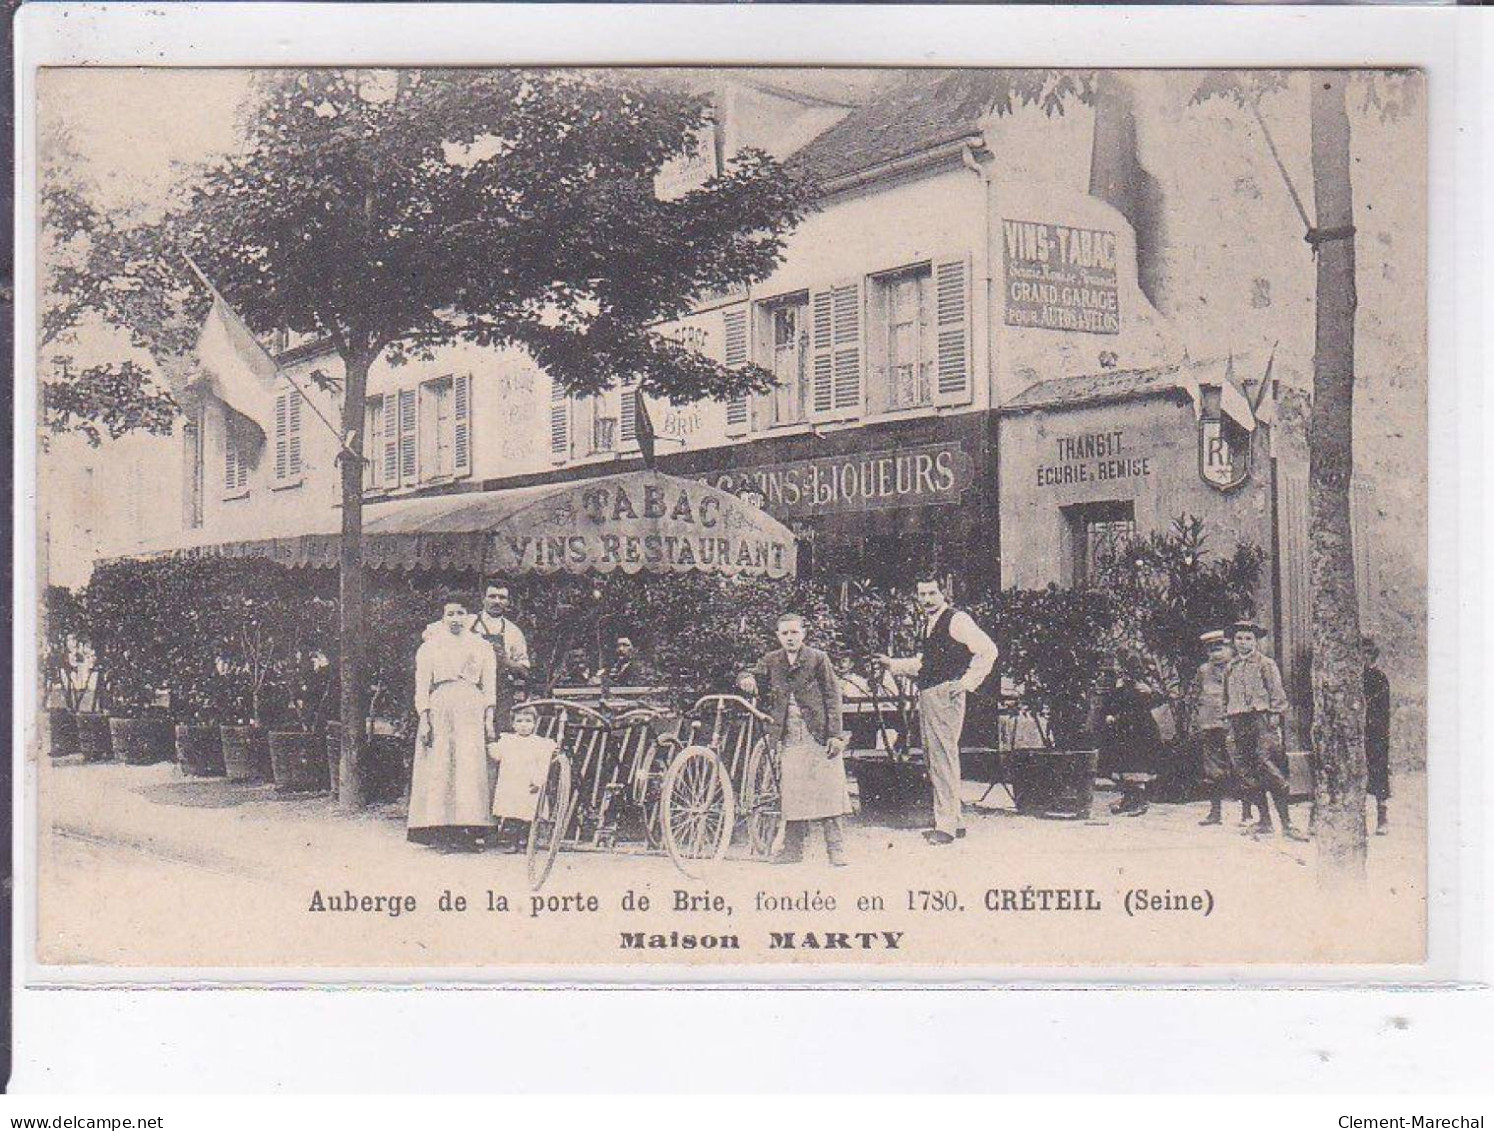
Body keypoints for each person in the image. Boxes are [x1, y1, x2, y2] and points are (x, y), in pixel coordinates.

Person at [875, 574, 998, 846]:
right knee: (936, 757)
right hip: (931, 694)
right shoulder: (929, 623)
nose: (927, 600)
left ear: (944, 593)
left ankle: (945, 827)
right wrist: (892, 664)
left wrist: (966, 683)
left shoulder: (957, 619)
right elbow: (926, 663)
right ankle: (955, 820)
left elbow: (988, 650)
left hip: (945, 694)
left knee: (942, 758)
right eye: (922, 594)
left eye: (932, 593)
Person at [737, 613, 852, 867]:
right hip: (789, 735)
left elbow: (833, 697)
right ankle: (793, 850)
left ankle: (835, 849)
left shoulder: (818, 659)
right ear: (778, 636)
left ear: (804, 634)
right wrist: (746, 678)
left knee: (829, 789)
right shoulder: (772, 660)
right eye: (785, 633)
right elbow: (750, 672)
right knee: (793, 792)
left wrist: (834, 735)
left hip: (818, 733)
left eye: (794, 632)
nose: (790, 638)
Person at [409, 595, 499, 851]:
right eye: (450, 613)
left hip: (471, 706)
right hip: (440, 707)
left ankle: (469, 830)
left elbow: (489, 685)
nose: (456, 619)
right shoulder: (430, 647)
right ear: (443, 616)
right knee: (441, 766)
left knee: (469, 767)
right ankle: (441, 830)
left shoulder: (481, 647)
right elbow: (422, 686)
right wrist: (424, 719)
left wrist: (489, 718)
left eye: (461, 613)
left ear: (469, 617)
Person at [1225, 620, 1307, 842]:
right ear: (1234, 641)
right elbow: (1226, 697)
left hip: (1261, 721)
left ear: (1255, 641)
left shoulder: (1266, 664)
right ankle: (1264, 821)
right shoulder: (1230, 667)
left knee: (1269, 767)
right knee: (1248, 771)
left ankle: (1287, 823)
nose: (1243, 643)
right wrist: (1229, 721)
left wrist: (1273, 719)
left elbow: (1277, 694)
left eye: (1248, 638)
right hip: (1238, 721)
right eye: (1239, 638)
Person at [1093, 660, 1163, 817]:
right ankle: (1129, 799)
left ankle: (1139, 801)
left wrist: (1149, 692)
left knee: (1137, 766)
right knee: (1124, 766)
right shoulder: (1120, 687)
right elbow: (1111, 703)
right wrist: (1110, 714)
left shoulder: (1143, 687)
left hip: (1140, 731)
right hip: (1123, 730)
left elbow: (1158, 699)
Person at [487, 703, 559, 852]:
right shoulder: (507, 741)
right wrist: (490, 742)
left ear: (534, 723)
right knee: (511, 815)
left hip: (529, 784)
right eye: (519, 721)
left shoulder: (540, 743)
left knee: (528, 814)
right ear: (513, 724)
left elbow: (543, 764)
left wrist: (538, 781)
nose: (524, 725)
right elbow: (496, 755)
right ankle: (512, 842)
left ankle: (525, 842)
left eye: (528, 721)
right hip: (511, 784)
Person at [471, 581, 531, 733]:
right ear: (483, 598)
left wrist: (506, 661)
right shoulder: (467, 623)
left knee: (502, 735)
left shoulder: (513, 631)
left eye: (502, 597)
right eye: (492, 596)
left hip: (501, 692)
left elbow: (524, 671)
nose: (497, 601)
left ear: (508, 602)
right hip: (471, 688)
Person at [1192, 630, 1235, 826]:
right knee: (1212, 770)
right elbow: (1196, 696)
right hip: (1210, 724)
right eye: (1212, 649)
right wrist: (1197, 722)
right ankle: (1214, 813)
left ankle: (1246, 813)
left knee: (1240, 767)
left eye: (1220, 649)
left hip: (1233, 724)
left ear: (1230, 649)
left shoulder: (1236, 668)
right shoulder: (1203, 671)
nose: (1216, 654)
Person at [1363, 636, 1392, 836]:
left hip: (1375, 733)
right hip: (1359, 732)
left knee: (1378, 773)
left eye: (1366, 654)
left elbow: (1381, 709)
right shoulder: (1352, 677)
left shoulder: (1379, 678)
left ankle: (1382, 816)